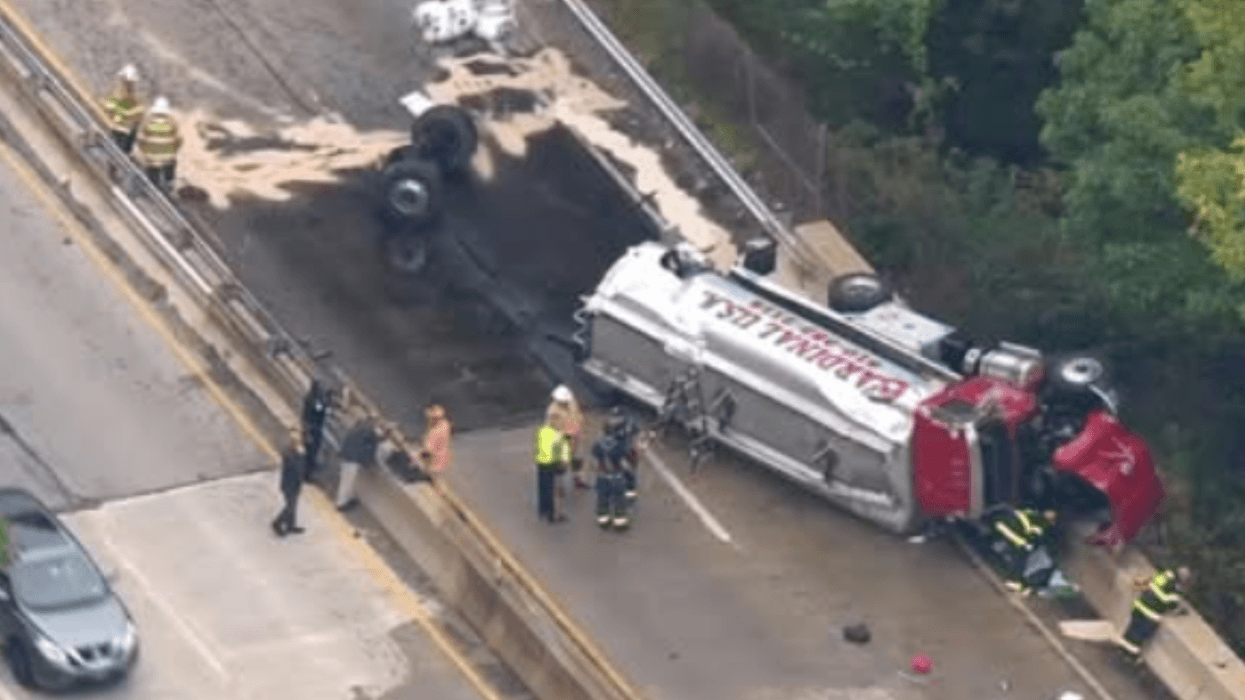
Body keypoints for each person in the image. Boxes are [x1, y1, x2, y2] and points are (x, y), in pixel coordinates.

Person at [1119, 566, 1192, 659]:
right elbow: (1171, 605)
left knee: (1130, 633)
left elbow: (1149, 584)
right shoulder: (1175, 590)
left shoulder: (1164, 574)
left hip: (1139, 606)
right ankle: (1129, 658)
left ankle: (1121, 650)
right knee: (1137, 640)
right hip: (1150, 616)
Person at [591, 411, 640, 530]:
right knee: (619, 500)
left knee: (602, 500)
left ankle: (603, 522)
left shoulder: (599, 441)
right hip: (617, 477)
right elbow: (627, 457)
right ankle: (620, 523)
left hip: (602, 476)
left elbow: (595, 453)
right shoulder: (621, 442)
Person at [988, 505, 1052, 594]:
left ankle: (1025, 585)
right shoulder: (1024, 516)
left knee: (1023, 562)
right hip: (1029, 543)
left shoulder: (1017, 520)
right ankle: (1027, 585)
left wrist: (1023, 543)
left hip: (1028, 544)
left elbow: (1014, 536)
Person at [134, 96, 182, 191]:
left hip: (152, 158)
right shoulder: (173, 124)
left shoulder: (148, 124)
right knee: (172, 162)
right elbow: (179, 140)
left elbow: (140, 140)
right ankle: (169, 182)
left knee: (152, 170)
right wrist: (173, 150)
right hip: (168, 158)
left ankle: (153, 186)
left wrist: (144, 151)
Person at [546, 385, 588, 488]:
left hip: (576, 437)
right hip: (563, 440)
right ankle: (559, 485)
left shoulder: (572, 403)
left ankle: (578, 480)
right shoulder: (553, 411)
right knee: (561, 465)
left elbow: (578, 416)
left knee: (578, 460)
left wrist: (580, 430)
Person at [335, 417, 380, 510]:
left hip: (346, 455)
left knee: (345, 479)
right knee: (348, 480)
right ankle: (341, 503)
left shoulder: (357, 426)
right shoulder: (370, 433)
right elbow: (371, 450)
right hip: (353, 459)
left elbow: (347, 439)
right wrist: (370, 465)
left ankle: (346, 498)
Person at [101, 64, 145, 153]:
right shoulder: (136, 101)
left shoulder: (117, 96)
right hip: (122, 134)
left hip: (118, 133)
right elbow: (137, 122)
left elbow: (108, 110)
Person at [534, 419, 571, 522]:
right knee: (552, 489)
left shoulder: (541, 430)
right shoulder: (558, 434)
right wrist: (564, 464)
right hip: (552, 462)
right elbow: (562, 450)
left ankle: (542, 510)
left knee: (543, 487)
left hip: (541, 462)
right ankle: (552, 515)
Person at [271, 431, 307, 536]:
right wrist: (301, 455)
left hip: (295, 483)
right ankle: (277, 522)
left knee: (293, 505)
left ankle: (291, 525)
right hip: (289, 485)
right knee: (290, 506)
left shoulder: (297, 452)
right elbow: (296, 467)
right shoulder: (290, 454)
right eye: (297, 442)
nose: (299, 443)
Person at [300, 380, 332, 482]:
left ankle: (307, 472)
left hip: (310, 428)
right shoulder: (313, 400)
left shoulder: (311, 397)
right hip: (312, 429)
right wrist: (327, 401)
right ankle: (306, 474)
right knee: (311, 452)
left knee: (310, 452)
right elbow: (320, 409)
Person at [419, 404, 453, 485]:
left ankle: (431, 479)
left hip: (435, 456)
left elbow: (431, 444)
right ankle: (431, 478)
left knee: (431, 465)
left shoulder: (440, 427)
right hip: (437, 454)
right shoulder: (444, 424)